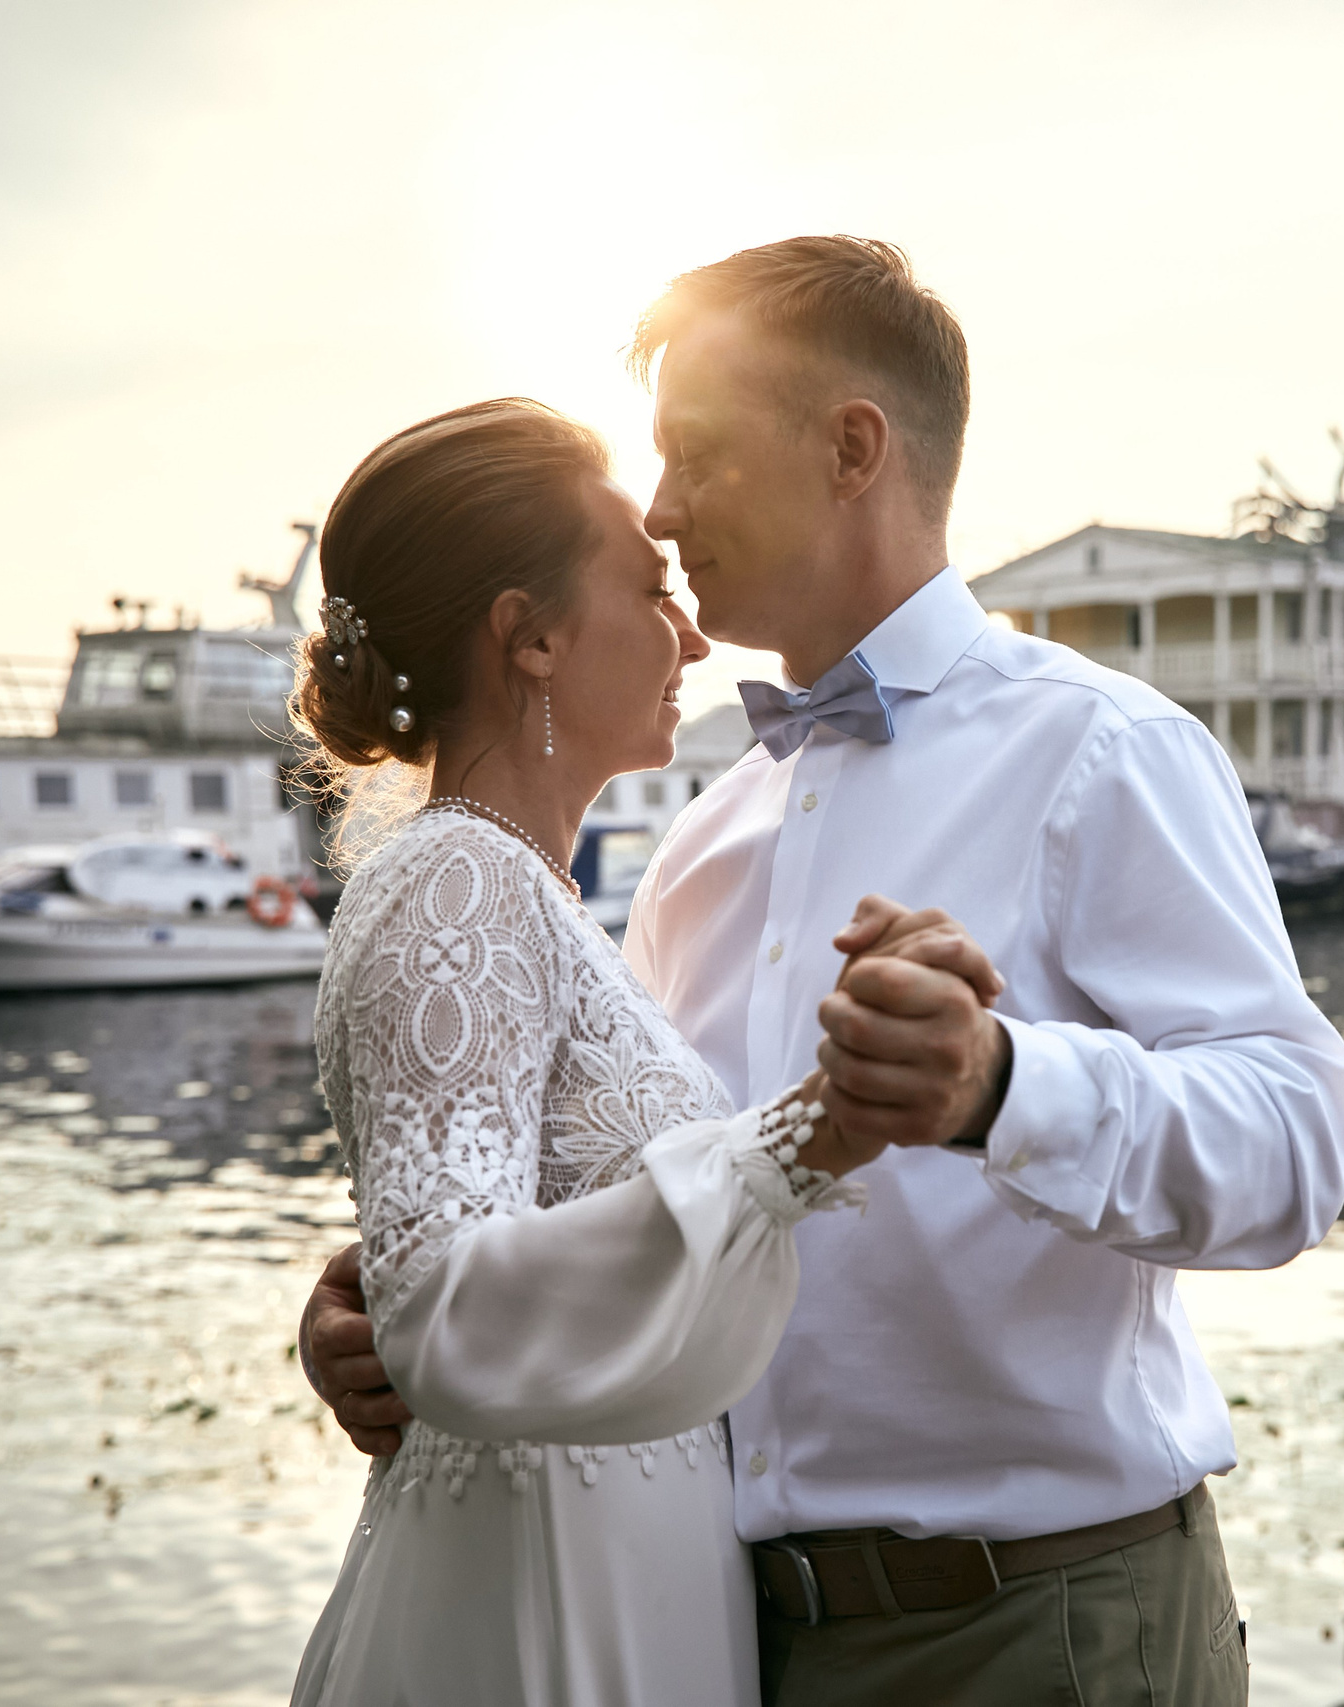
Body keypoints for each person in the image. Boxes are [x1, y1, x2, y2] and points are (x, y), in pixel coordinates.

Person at [303, 238, 1344, 1705]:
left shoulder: (1099, 752)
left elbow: (1296, 1145)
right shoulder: (697, 842)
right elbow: (623, 1212)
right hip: (734, 1634)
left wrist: (1003, 1084)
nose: (661, 515)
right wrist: (390, 1318)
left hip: (1035, 1624)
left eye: (695, 458)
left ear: (851, 447)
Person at [281, 395, 1000, 1706]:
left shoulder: (531, 896)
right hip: (540, 1584)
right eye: (649, 591)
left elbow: (471, 1228)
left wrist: (358, 1284)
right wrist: (810, 1137)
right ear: (531, 637)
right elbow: (445, 1299)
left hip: (622, 1542)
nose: (689, 634)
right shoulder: (461, 885)